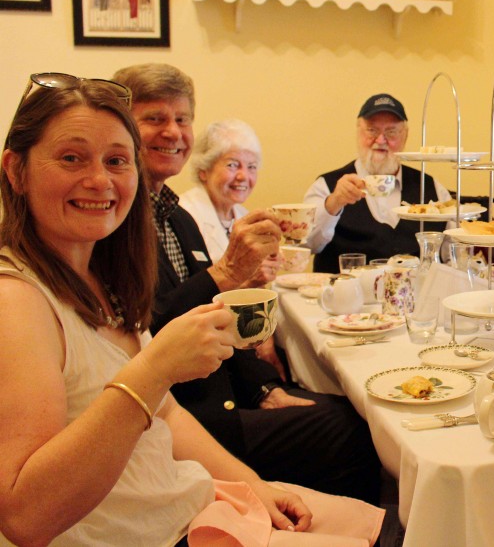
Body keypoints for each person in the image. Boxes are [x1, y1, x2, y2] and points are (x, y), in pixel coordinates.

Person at [0, 73, 382, 545]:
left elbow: (168, 416)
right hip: (153, 531)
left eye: (116, 160)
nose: (99, 179)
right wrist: (155, 367)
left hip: (189, 501)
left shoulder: (107, 275)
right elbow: (25, 517)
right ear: (16, 170)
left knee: (385, 525)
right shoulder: (17, 301)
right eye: (71, 158)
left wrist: (251, 484)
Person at [112, 63, 381, 505]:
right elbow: (149, 331)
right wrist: (224, 274)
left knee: (343, 404)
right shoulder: (119, 217)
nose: (173, 132)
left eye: (181, 119)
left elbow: (217, 312)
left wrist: (264, 389)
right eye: (155, 119)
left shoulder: (174, 216)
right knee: (349, 429)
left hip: (228, 393)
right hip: (191, 416)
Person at [303, 93, 450, 272]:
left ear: (405, 136)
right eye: (372, 130)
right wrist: (334, 203)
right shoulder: (326, 186)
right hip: (345, 297)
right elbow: (307, 245)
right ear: (358, 132)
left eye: (391, 132)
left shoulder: (432, 188)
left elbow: (453, 257)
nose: (380, 140)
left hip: (415, 297)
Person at [179, 118, 262, 263]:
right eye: (232, 165)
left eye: (252, 167)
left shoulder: (244, 216)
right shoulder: (183, 215)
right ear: (203, 170)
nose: (243, 176)